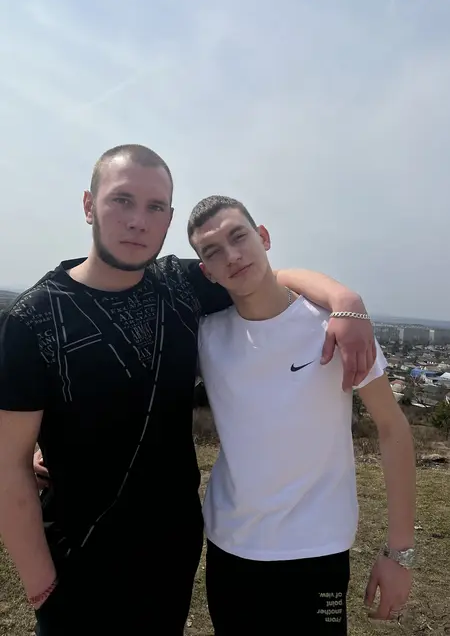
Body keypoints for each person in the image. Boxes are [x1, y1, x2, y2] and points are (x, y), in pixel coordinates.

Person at [0, 144, 375, 636]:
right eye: (122, 200)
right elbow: (7, 465)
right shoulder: (33, 319)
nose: (138, 221)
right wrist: (41, 590)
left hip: (171, 557)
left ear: (170, 218)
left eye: (155, 207)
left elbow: (264, 275)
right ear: (89, 205)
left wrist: (345, 300)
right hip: (78, 562)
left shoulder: (180, 286)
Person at [187, 195, 416, 635]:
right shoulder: (206, 337)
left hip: (318, 555)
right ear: (207, 271)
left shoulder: (336, 326)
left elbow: (393, 428)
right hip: (229, 551)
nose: (231, 256)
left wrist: (399, 553)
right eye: (213, 251)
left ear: (264, 237)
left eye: (239, 236)